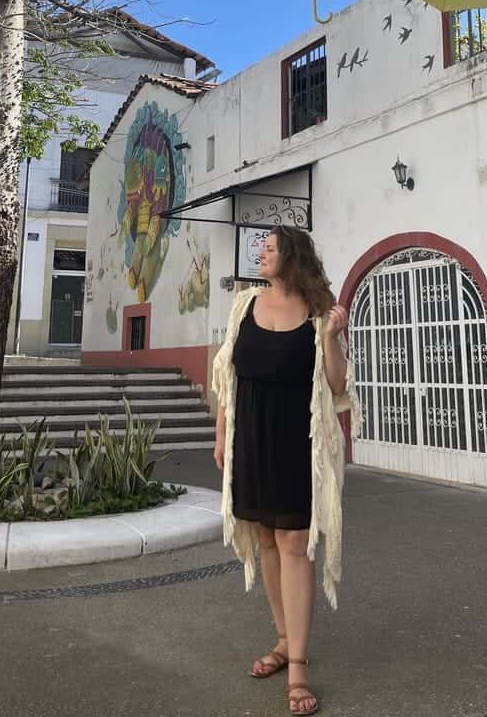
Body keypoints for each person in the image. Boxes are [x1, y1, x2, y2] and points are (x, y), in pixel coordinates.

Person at [211, 226, 360, 716]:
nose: (261, 253)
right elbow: (228, 374)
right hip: (250, 437)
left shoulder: (320, 314)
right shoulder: (244, 305)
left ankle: (297, 665)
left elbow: (336, 386)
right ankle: (281, 639)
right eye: (261, 248)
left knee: (295, 542)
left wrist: (335, 337)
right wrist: (221, 433)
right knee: (267, 541)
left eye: (270, 248)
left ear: (291, 257)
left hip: (298, 440)